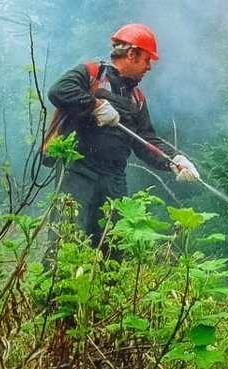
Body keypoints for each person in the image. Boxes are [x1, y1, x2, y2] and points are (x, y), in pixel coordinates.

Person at [47, 23, 200, 249]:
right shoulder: (91, 73)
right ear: (131, 53)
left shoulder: (136, 98)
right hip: (77, 172)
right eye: (147, 60)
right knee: (66, 243)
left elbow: (146, 141)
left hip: (113, 179)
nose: (149, 67)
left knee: (112, 248)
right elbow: (58, 91)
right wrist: (95, 104)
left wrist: (174, 160)